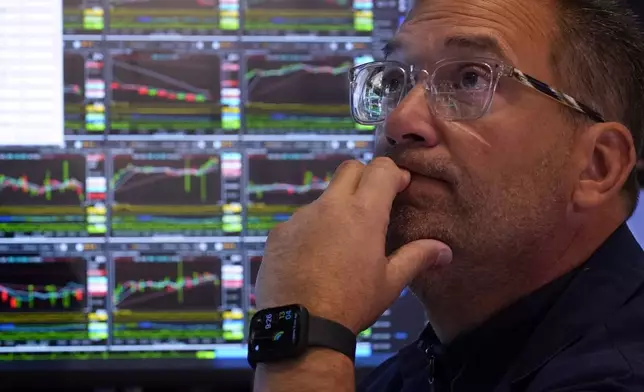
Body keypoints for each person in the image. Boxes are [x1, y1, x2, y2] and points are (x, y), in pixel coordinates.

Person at [252, 0, 644, 390]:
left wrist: (308, 340)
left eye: (470, 78)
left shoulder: (620, 375)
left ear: (597, 166)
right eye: (393, 82)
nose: (399, 120)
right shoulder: (422, 371)